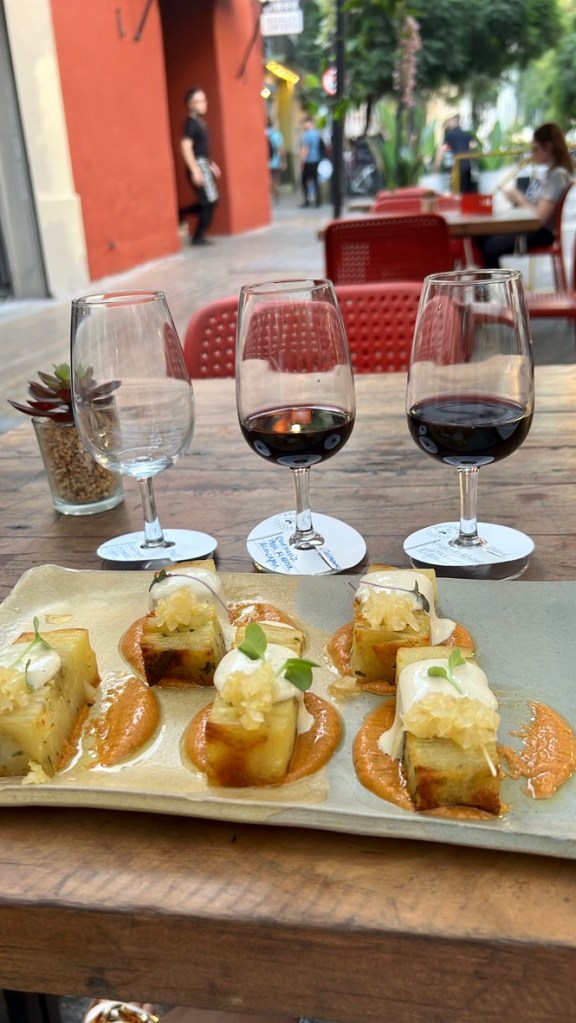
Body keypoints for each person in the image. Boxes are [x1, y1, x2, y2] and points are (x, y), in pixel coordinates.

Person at [476, 122, 574, 269]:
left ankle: (497, 283)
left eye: (535, 149)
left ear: (548, 147)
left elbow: (541, 218)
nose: (532, 154)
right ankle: (491, 281)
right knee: (480, 238)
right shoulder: (550, 173)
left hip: (540, 233)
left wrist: (519, 199)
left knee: (490, 248)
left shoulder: (557, 175)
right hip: (532, 229)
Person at [180, 87, 221, 246]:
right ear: (190, 104)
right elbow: (186, 146)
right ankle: (198, 236)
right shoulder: (191, 123)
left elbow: (201, 148)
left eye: (204, 100)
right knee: (208, 201)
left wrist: (211, 164)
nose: (203, 104)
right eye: (198, 101)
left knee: (211, 200)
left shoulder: (200, 122)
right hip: (198, 166)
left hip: (204, 164)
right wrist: (195, 170)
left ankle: (185, 215)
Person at [442, 114, 477, 193]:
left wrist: (436, 167)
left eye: (449, 122)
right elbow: (473, 146)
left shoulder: (449, 135)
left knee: (458, 190)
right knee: (468, 190)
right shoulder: (466, 134)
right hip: (467, 164)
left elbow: (443, 149)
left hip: (457, 165)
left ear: (454, 122)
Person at [299, 116, 322, 208]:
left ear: (309, 123)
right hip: (316, 159)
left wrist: (302, 162)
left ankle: (307, 200)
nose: (303, 125)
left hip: (308, 161)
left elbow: (305, 149)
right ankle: (318, 200)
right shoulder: (317, 133)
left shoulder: (307, 135)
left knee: (304, 181)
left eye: (304, 123)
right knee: (315, 180)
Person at [266, 116, 286, 201]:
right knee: (276, 179)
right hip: (275, 161)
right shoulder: (276, 134)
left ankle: (269, 194)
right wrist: (284, 161)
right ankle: (275, 196)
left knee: (268, 178)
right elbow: (281, 149)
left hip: (265, 162)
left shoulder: (261, 133)